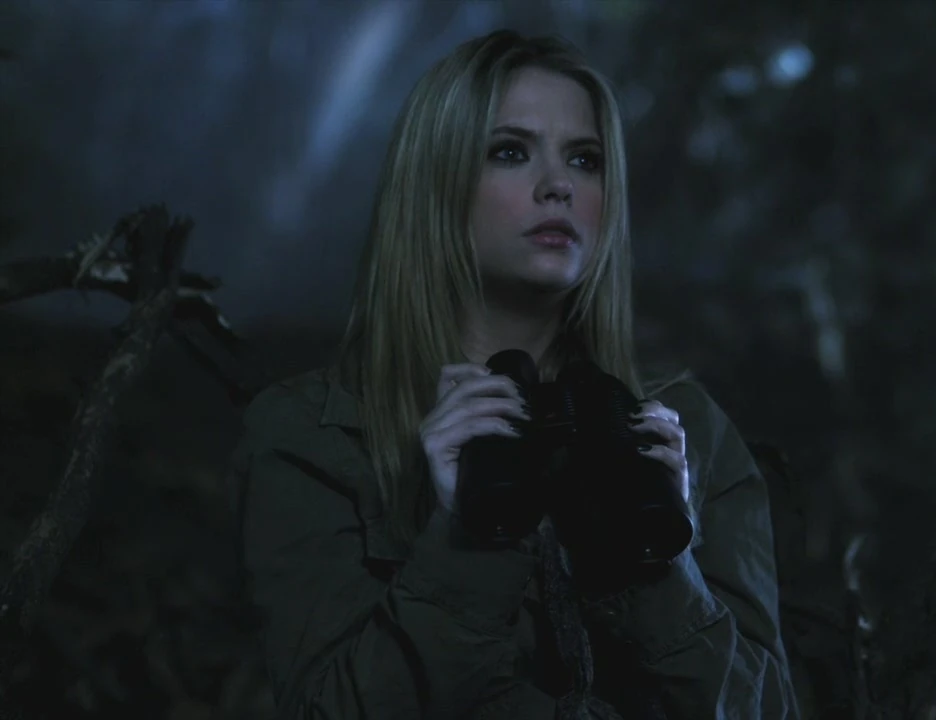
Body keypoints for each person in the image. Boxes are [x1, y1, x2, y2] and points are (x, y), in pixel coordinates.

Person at [227, 30, 798, 719]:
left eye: (585, 160)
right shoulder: (314, 434)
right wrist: (466, 538)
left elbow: (767, 710)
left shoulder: (687, 427)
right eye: (510, 152)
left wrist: (658, 560)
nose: (559, 185)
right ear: (435, 182)